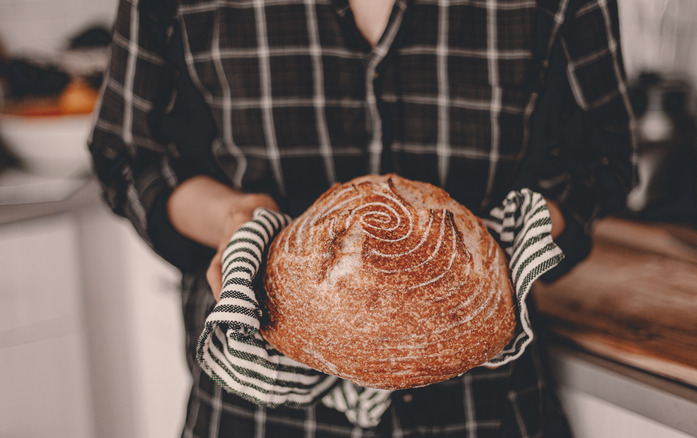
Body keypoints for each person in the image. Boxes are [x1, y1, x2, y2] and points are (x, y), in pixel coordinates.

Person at [89, 0, 635, 436]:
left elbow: (603, 161)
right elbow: (129, 155)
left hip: (485, 412)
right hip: (258, 419)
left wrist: (501, 252)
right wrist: (236, 220)